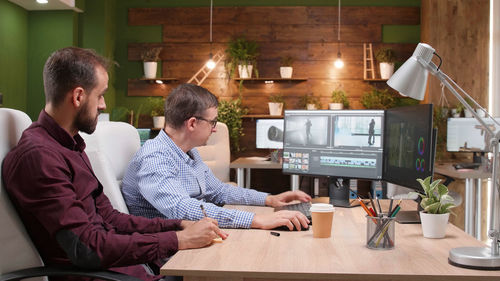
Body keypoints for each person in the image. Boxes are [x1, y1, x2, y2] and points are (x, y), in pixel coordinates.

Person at [2, 47, 227, 281]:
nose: (103, 105)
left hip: (129, 271)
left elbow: (111, 218)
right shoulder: (39, 158)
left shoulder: (70, 145)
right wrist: (179, 240)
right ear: (78, 96)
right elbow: (87, 247)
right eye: (100, 95)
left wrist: (179, 226)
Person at [122, 84, 311, 231]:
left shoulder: (189, 152)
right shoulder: (155, 158)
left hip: (193, 236)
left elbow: (219, 191)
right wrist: (257, 219)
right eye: (213, 122)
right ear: (192, 123)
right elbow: (182, 209)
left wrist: (269, 199)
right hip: (171, 253)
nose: (214, 129)